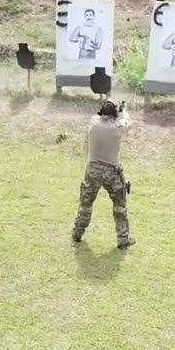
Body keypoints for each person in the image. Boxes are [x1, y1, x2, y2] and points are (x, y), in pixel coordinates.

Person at [71, 99, 134, 248]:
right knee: (120, 206)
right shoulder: (118, 128)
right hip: (112, 171)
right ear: (115, 113)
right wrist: (123, 110)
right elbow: (127, 121)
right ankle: (123, 239)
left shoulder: (93, 123)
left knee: (85, 204)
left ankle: (77, 232)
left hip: (92, 170)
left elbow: (100, 117)